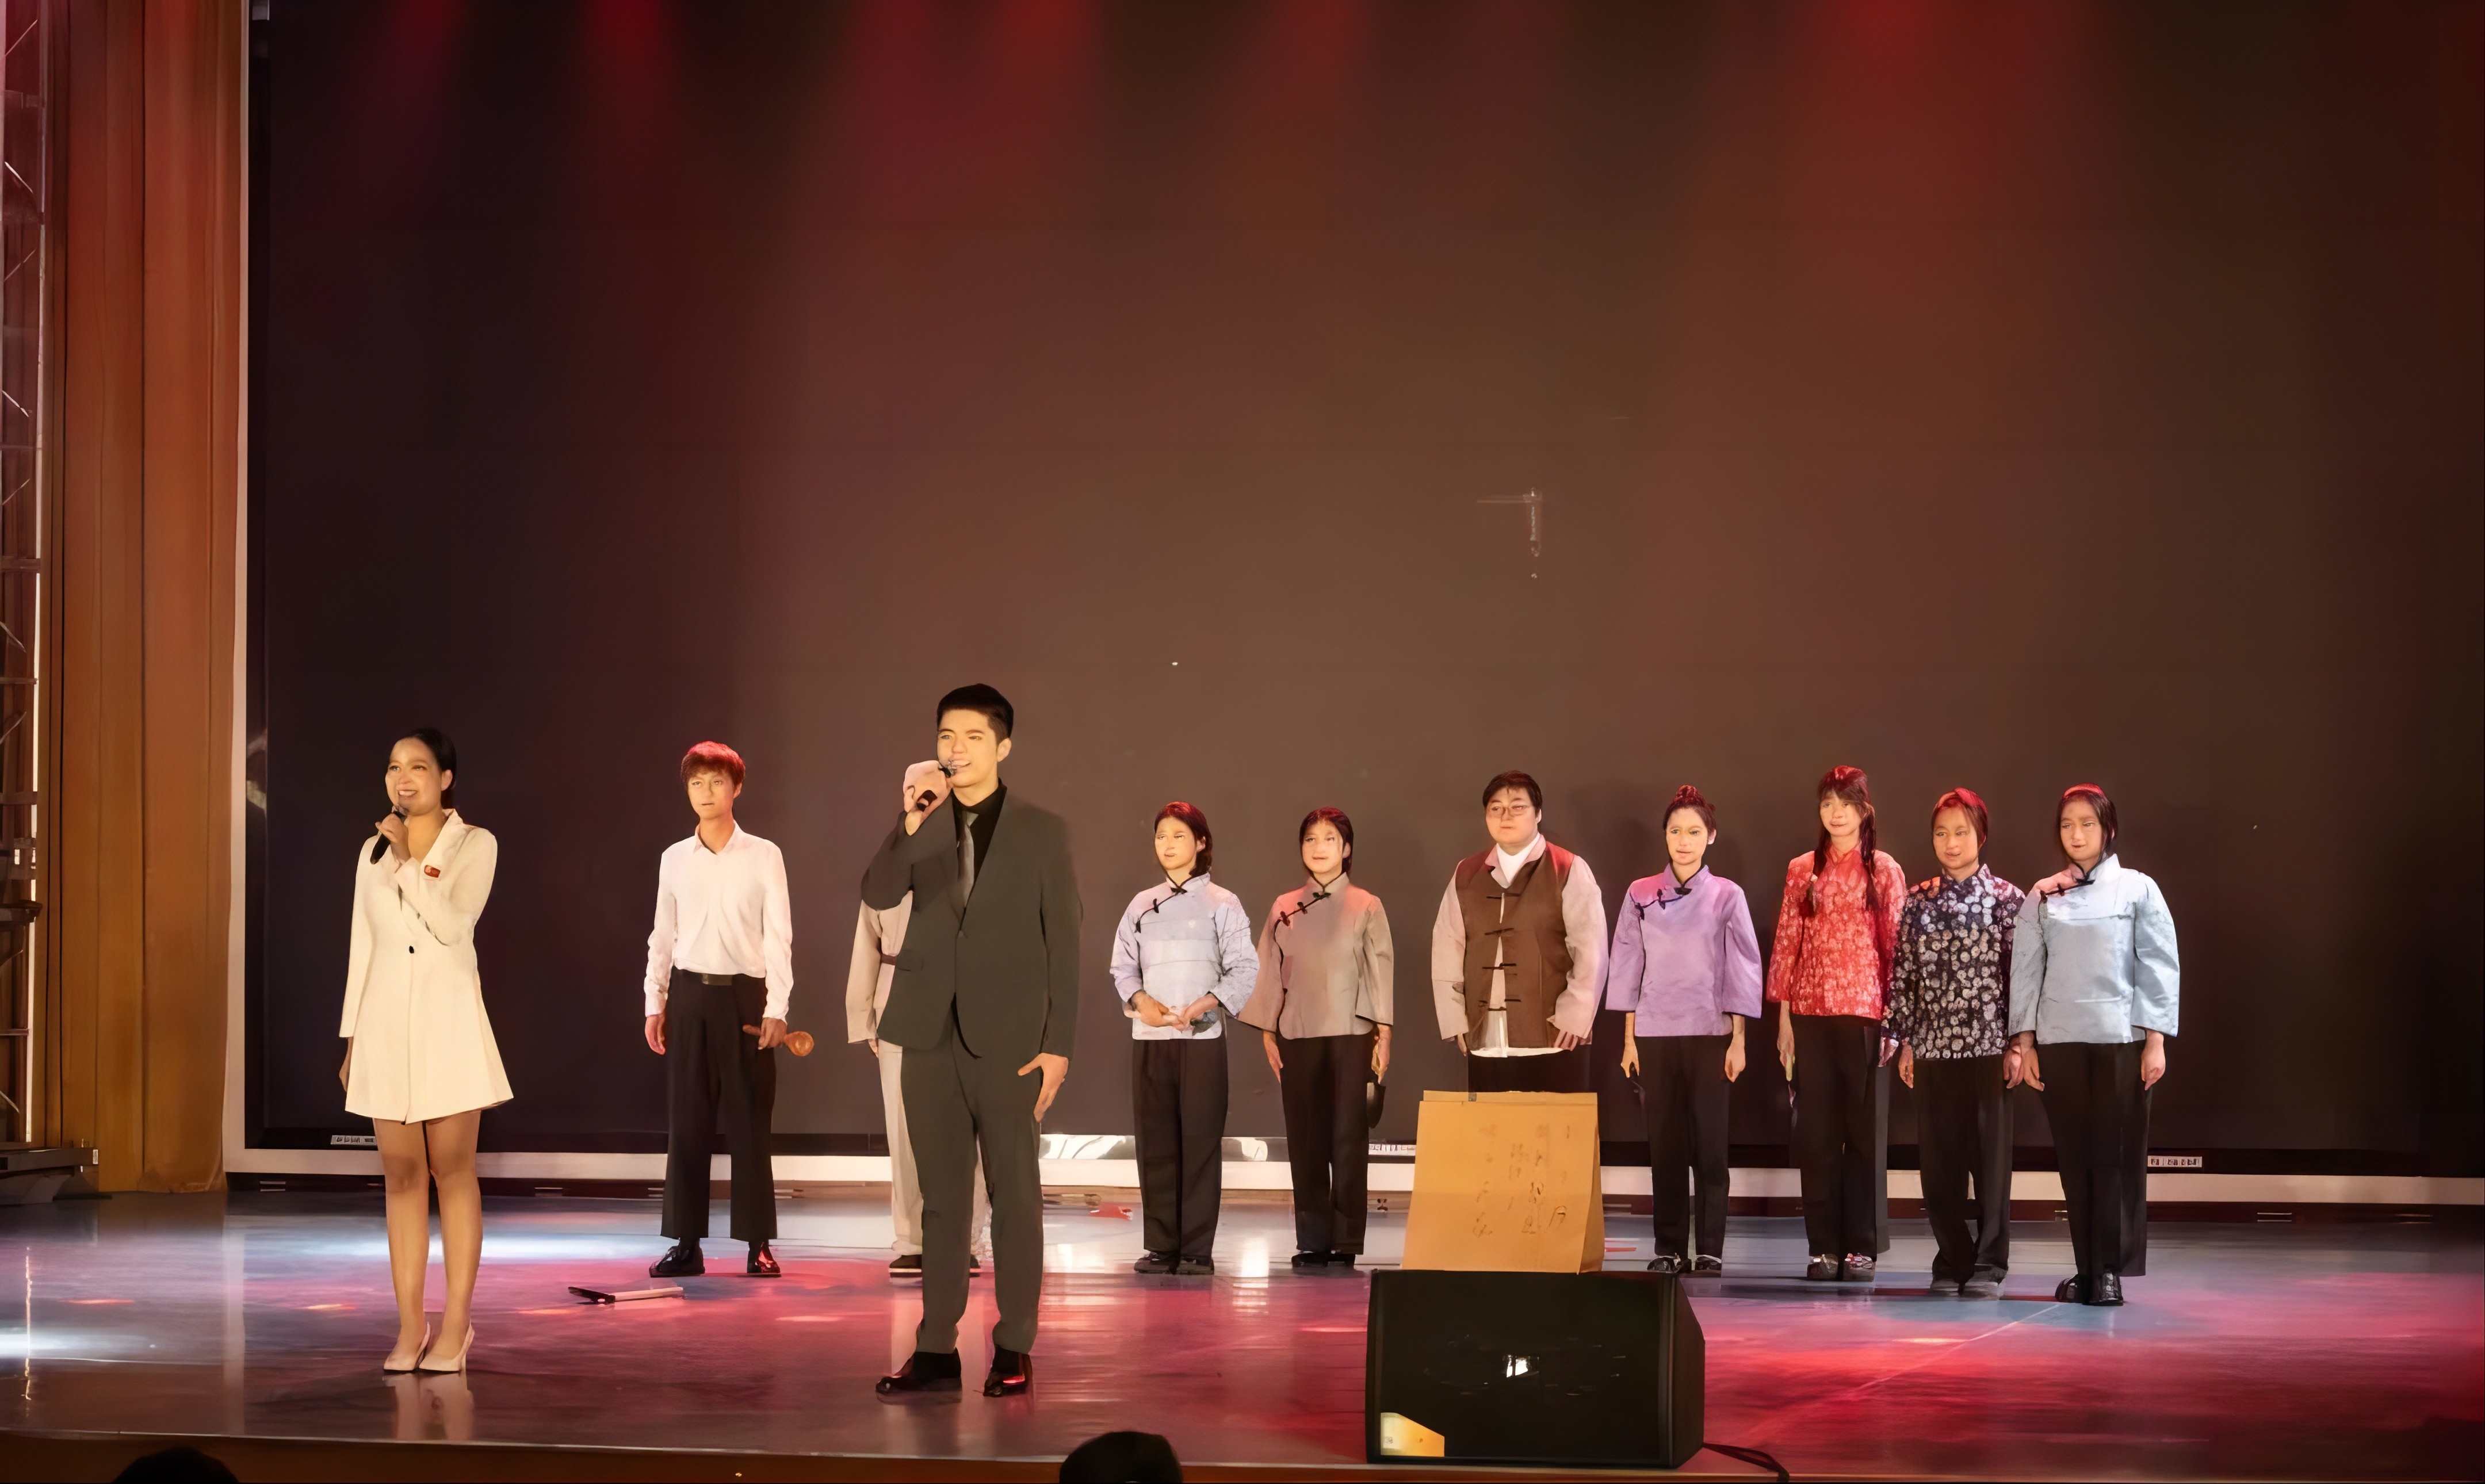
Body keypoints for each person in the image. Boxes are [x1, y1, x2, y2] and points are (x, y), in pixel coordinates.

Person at [865, 684, 1080, 1400]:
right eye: (946, 737)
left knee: (1015, 1196)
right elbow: (878, 892)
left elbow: (1065, 943)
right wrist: (909, 822)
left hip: (1011, 1043)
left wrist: (1058, 1044)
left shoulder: (1041, 830)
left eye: (973, 738)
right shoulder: (924, 823)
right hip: (926, 1035)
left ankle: (1014, 1343)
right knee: (941, 1201)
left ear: (1003, 747)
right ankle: (936, 1348)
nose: (956, 750)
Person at [337, 728, 507, 1374]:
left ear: (446, 779)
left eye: (417, 767)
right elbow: (363, 947)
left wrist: (411, 860)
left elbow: (451, 925)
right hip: (384, 1028)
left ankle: (457, 1324)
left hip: (448, 1024)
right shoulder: (372, 851)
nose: (402, 778)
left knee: (452, 1170)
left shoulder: (475, 844)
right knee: (402, 1176)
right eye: (393, 767)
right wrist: (352, 1038)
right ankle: (411, 1326)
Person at [2007, 783, 2178, 1308]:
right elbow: (2026, 971)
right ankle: (2086, 1268)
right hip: (2060, 1042)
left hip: (2119, 1042)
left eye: (2087, 824)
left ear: (2108, 829)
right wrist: (2025, 1043)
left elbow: (2157, 965)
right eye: (2067, 825)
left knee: (2115, 1159)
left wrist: (2155, 1041)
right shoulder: (2043, 894)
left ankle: (2109, 1272)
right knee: (2075, 1161)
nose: (2076, 834)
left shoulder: (2137, 889)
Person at [643, 741, 793, 1280]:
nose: (706, 793)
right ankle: (686, 1245)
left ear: (736, 788)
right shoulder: (674, 858)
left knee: (750, 1121)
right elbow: (662, 934)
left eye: (716, 782)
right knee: (688, 1122)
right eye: (696, 783)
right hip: (689, 996)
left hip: (745, 995)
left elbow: (779, 936)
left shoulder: (764, 855)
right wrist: (655, 1000)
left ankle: (758, 1244)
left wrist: (778, 1006)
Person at [1611, 785, 1762, 1276]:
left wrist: (1739, 1041)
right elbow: (1627, 965)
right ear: (1665, 836)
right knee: (1666, 1146)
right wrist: (1629, 1039)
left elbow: (1743, 967)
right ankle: (1670, 1246)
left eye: (1694, 832)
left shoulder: (1727, 895)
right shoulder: (1640, 893)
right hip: (1655, 1033)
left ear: (1710, 837)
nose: (1684, 841)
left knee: (1711, 1147)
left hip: (1710, 1033)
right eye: (1676, 831)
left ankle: (1711, 1248)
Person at [1766, 764, 1906, 1283]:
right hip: (1809, 1013)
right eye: (1828, 803)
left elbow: (1895, 950)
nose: (1836, 813)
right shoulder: (1802, 868)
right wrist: (1784, 1019)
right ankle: (1822, 1246)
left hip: (1865, 1013)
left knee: (1863, 1134)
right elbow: (1787, 943)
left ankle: (1861, 1246)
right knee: (1818, 1135)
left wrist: (1895, 1022)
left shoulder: (1884, 869)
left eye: (1846, 804)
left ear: (1864, 810)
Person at [1237, 808, 1394, 1271]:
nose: (1319, 847)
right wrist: (1268, 1029)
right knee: (1305, 1137)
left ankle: (1346, 1239)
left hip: (1352, 1033)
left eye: (1329, 838)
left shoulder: (1366, 904)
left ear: (1347, 849)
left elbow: (1380, 970)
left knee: (1348, 1137)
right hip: (1297, 1031)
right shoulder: (1283, 906)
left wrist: (1384, 1031)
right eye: (1310, 839)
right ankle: (1312, 1240)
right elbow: (1269, 969)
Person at [1886, 789, 2025, 1299]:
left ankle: (1989, 1262)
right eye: (1941, 833)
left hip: (1990, 1049)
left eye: (1961, 832)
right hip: (1933, 1049)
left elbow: (2021, 980)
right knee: (1939, 1166)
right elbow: (1904, 976)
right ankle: (1952, 1257)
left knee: (1990, 1166)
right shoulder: (1918, 901)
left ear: (1980, 836)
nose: (1950, 842)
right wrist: (1904, 1042)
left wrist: (2019, 1044)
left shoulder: (2008, 900)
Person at [1110, 802, 1259, 1276]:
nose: (1168, 844)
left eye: (1179, 835)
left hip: (1202, 1039)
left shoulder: (1223, 902)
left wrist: (1205, 1004)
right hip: (1150, 1038)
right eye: (1161, 836)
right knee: (1155, 1142)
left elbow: (1244, 967)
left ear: (1201, 842)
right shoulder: (1141, 905)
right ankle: (1161, 1246)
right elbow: (1122, 966)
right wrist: (1140, 1001)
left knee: (1199, 1142)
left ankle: (1196, 1249)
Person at [1429, 772, 1607, 1093]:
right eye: (1496, 808)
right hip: (1484, 1038)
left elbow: (1591, 950)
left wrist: (1576, 1016)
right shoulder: (1466, 873)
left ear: (1538, 814)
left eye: (1518, 807)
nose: (1505, 816)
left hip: (1553, 1037)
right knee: (1490, 1125)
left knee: (1555, 1126)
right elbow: (1447, 946)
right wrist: (1455, 1019)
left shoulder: (1568, 868)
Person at [847, 894, 992, 1280]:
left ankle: (964, 1239)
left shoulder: (972, 870)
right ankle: (912, 1242)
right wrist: (863, 1015)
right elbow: (867, 942)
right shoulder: (887, 876)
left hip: (967, 1002)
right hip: (898, 999)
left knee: (964, 1127)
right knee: (903, 1126)